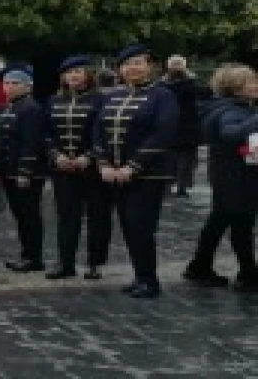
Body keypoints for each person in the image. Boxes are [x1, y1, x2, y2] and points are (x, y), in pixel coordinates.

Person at [91, 43, 179, 298]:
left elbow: (162, 133)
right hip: (115, 173)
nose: (133, 68)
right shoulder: (112, 96)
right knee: (128, 225)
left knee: (141, 225)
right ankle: (140, 275)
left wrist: (134, 166)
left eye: (139, 63)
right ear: (120, 69)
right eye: (128, 64)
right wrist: (104, 163)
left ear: (149, 66)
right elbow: (98, 131)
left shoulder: (163, 95)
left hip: (148, 174)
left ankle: (150, 281)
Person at [183, 65, 258, 292]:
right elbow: (231, 135)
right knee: (242, 225)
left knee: (219, 221)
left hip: (228, 175)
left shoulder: (225, 108)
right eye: (251, 82)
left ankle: (199, 265)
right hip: (237, 179)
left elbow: (238, 147)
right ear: (236, 89)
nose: (256, 86)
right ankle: (248, 274)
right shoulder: (232, 111)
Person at [45, 56, 104, 280]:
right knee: (67, 217)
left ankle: (94, 263)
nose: (73, 76)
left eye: (78, 71)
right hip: (63, 169)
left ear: (88, 74)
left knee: (97, 216)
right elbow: (46, 134)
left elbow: (104, 133)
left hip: (93, 168)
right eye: (69, 72)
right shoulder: (53, 101)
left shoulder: (100, 100)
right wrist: (56, 155)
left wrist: (89, 157)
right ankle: (65, 262)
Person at [0, 64, 48, 273]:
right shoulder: (9, 107)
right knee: (20, 216)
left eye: (15, 83)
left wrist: (25, 172)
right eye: (7, 83)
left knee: (29, 216)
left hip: (26, 173)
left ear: (28, 86)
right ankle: (27, 254)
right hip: (9, 171)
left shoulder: (30, 108)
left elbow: (31, 143)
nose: (10, 86)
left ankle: (34, 257)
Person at [162, 55, 210, 197]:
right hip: (188, 128)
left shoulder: (161, 86)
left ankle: (166, 186)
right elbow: (207, 93)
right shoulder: (192, 85)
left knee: (168, 158)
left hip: (167, 126)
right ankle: (182, 187)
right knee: (186, 159)